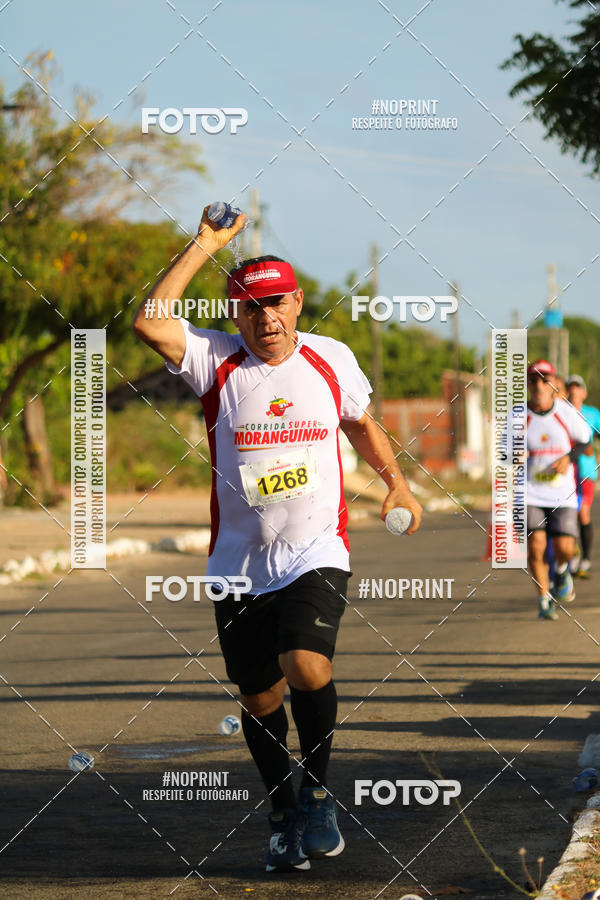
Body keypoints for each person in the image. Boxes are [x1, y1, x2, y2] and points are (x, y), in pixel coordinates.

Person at [132, 205, 422, 872]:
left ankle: (317, 793)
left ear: (297, 303)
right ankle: (283, 810)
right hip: (238, 562)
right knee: (259, 697)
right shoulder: (214, 359)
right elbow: (150, 322)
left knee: (306, 665)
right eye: (251, 308)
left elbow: (361, 423)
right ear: (235, 315)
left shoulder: (331, 358)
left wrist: (397, 485)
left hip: (317, 548)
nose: (266, 319)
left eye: (276, 304)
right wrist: (205, 244)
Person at [526, 360, 592, 620]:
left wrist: (568, 458)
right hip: (530, 492)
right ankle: (544, 600)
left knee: (564, 548)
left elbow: (585, 442)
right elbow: (504, 451)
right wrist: (513, 456)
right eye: (534, 380)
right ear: (528, 384)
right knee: (536, 547)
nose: (539, 385)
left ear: (553, 383)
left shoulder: (566, 413)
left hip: (561, 493)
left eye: (545, 380)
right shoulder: (518, 416)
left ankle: (563, 570)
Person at [566, 374, 600, 577]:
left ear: (584, 392)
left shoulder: (592, 414)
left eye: (577, 387)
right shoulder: (561, 412)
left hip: (586, 472)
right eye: (570, 387)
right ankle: (571, 555)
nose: (573, 390)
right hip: (565, 473)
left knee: (582, 513)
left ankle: (585, 558)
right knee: (568, 514)